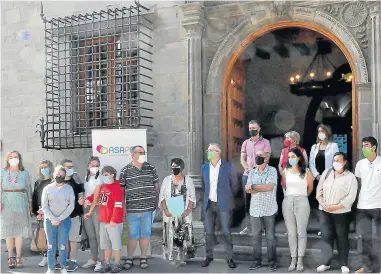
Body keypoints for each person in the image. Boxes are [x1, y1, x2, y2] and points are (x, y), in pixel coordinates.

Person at [316, 152, 358, 273]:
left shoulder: (350, 177)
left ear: (345, 162)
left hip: (341, 212)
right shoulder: (327, 172)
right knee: (326, 236)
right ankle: (326, 263)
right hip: (324, 211)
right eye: (334, 160)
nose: (335, 163)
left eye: (338, 160)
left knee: (342, 237)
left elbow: (351, 197)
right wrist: (323, 203)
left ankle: (344, 264)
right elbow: (319, 190)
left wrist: (336, 207)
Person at [119, 145, 159, 270]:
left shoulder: (151, 168)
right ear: (133, 155)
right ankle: (129, 257)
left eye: (143, 152)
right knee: (132, 235)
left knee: (145, 234)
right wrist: (123, 207)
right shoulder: (125, 170)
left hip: (148, 209)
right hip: (132, 210)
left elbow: (156, 186)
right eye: (139, 152)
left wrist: (155, 204)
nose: (142, 154)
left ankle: (143, 257)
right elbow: (121, 192)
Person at [201, 143, 238, 269]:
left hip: (223, 203)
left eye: (211, 150)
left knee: (226, 231)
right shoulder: (204, 168)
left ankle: (230, 258)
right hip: (209, 204)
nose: (208, 152)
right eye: (208, 150)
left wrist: (226, 197)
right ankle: (209, 256)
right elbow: (203, 185)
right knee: (208, 232)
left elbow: (235, 186)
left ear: (218, 153)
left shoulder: (228, 167)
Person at [85, 166, 124, 273]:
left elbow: (118, 205)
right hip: (103, 221)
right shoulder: (103, 187)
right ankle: (106, 263)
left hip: (113, 222)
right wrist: (88, 199)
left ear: (112, 175)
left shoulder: (117, 187)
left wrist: (114, 219)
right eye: (103, 175)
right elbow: (95, 196)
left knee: (115, 244)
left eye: (106, 175)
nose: (104, 177)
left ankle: (117, 263)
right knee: (106, 244)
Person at [159, 158, 196, 266]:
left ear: (182, 168)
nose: (174, 169)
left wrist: (188, 210)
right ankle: (172, 257)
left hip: (184, 212)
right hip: (170, 212)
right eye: (173, 167)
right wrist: (165, 210)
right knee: (171, 234)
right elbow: (162, 196)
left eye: (177, 167)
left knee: (183, 234)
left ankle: (183, 257)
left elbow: (192, 197)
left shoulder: (188, 180)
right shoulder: (167, 180)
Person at [245, 150, 278, 272]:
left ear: (266, 159)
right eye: (257, 156)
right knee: (255, 237)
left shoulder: (272, 171)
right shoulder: (252, 172)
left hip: (269, 209)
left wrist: (254, 186)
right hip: (255, 209)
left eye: (260, 156)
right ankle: (256, 261)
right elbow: (247, 189)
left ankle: (272, 261)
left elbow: (269, 187)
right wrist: (258, 187)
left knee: (270, 237)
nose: (258, 158)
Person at [282, 147, 313, 272]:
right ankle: (293, 259)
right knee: (291, 233)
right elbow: (284, 186)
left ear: (299, 157)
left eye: (293, 157)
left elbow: (310, 188)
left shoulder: (306, 171)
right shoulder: (286, 171)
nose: (291, 159)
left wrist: (302, 197)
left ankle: (300, 259)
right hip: (288, 201)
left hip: (302, 201)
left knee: (301, 232)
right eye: (289, 157)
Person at [0, 151, 32, 269]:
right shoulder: (2, 172)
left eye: (16, 157)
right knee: (9, 232)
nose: (14, 159)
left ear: (20, 159)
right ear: (8, 159)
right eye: (11, 157)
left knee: (19, 233)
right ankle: (10, 257)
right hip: (6, 203)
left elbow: (29, 189)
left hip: (21, 202)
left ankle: (19, 257)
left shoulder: (24, 173)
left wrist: (30, 203)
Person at [354, 136, 381, 274]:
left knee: (378, 238)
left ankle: (378, 266)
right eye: (363, 145)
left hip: (378, 206)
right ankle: (366, 266)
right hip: (363, 207)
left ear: (374, 147)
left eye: (366, 145)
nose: (363, 148)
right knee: (364, 239)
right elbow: (359, 184)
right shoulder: (360, 164)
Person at [42, 165, 75, 274]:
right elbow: (44, 206)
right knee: (51, 246)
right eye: (57, 172)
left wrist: (60, 218)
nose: (59, 174)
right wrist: (52, 219)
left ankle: (63, 267)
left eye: (61, 173)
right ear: (53, 174)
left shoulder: (69, 188)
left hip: (64, 221)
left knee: (62, 245)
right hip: (49, 221)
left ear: (65, 175)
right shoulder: (47, 188)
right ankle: (50, 268)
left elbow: (71, 206)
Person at [240, 120, 271, 234]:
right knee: (247, 203)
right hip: (247, 176)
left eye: (253, 128)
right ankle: (248, 227)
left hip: (260, 175)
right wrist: (247, 167)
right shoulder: (245, 143)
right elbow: (242, 159)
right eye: (250, 128)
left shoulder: (265, 143)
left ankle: (261, 228)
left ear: (259, 129)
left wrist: (258, 168)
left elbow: (266, 158)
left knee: (260, 202)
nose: (251, 130)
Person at [60, 159, 84, 272]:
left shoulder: (76, 179)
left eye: (71, 166)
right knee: (64, 240)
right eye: (67, 167)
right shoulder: (58, 181)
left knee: (74, 239)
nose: (70, 169)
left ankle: (73, 261)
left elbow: (81, 193)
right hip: (61, 216)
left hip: (75, 214)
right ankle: (64, 260)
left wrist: (81, 199)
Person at [81, 156, 104, 271]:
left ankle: (101, 260)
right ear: (88, 166)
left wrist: (90, 208)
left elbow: (96, 195)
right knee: (91, 235)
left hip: (97, 208)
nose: (94, 168)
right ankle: (94, 258)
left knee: (99, 235)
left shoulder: (100, 178)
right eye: (92, 165)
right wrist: (82, 199)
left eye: (96, 165)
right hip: (87, 208)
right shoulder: (86, 177)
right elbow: (85, 193)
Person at [309, 124, 339, 212]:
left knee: (329, 200)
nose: (320, 133)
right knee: (318, 201)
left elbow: (337, 161)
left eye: (322, 131)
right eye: (319, 132)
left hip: (329, 177)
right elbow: (311, 163)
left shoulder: (333, 146)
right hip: (317, 178)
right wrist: (317, 175)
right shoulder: (314, 147)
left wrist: (328, 175)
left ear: (327, 132)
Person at [32, 159, 54, 267]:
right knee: (44, 236)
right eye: (42, 168)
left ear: (50, 168)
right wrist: (37, 212)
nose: (44, 169)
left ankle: (55, 257)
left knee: (53, 236)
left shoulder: (53, 181)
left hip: (52, 212)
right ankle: (45, 257)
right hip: (41, 212)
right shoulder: (38, 182)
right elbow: (35, 197)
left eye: (46, 167)